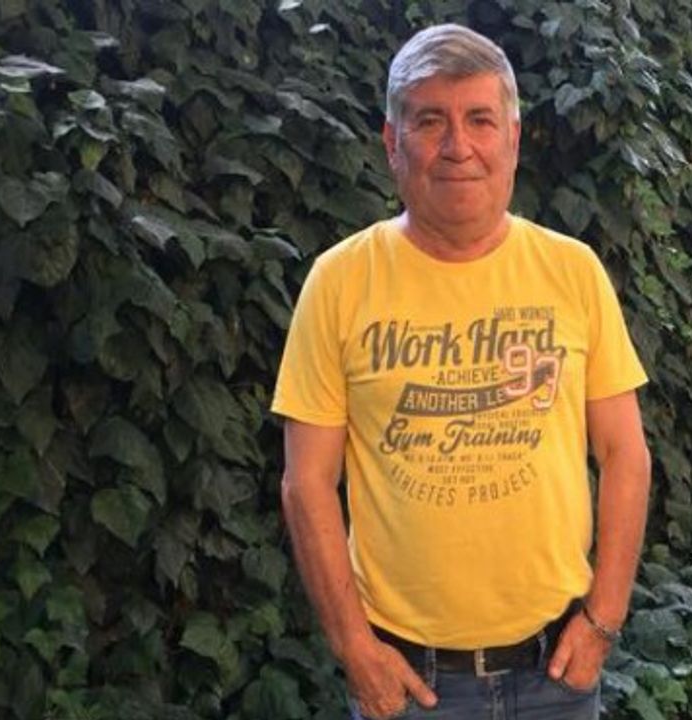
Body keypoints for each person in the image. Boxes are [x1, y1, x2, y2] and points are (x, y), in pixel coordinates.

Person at [271, 23, 652, 720]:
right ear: (392, 143)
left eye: (480, 119)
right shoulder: (339, 283)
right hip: (410, 688)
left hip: (556, 678)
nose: (458, 146)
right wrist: (354, 648)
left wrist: (604, 619)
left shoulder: (572, 272)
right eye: (429, 122)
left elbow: (625, 452)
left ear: (513, 138)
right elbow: (306, 483)